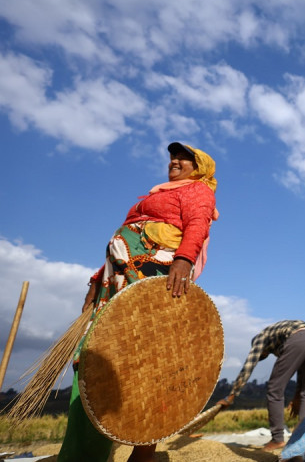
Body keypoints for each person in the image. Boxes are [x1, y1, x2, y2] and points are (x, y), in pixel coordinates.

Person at [58, 142, 219, 462]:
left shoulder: (197, 191)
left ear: (200, 168)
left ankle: (144, 448)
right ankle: (82, 452)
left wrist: (184, 260)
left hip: (152, 274)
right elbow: (122, 244)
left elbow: (198, 224)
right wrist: (96, 281)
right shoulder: (155, 195)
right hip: (115, 282)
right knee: (93, 358)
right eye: (173, 156)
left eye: (185, 158)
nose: (175, 160)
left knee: (147, 357)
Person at [218, 320, 305, 451]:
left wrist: (231, 395)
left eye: (263, 354)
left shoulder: (260, 338)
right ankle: (303, 439)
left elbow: (249, 365)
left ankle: (277, 439)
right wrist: (297, 395)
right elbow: (301, 367)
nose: (265, 354)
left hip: (300, 337)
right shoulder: (280, 337)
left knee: (275, 389)